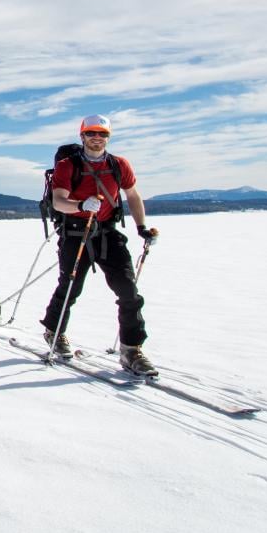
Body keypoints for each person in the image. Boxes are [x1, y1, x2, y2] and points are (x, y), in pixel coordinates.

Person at [41, 115, 159, 376]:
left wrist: (141, 228)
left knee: (129, 291)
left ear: (108, 137)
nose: (98, 138)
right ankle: (54, 332)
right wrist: (80, 206)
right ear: (82, 136)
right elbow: (59, 201)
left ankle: (131, 350)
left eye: (103, 134)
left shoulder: (119, 165)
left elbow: (133, 195)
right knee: (70, 288)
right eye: (92, 133)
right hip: (75, 233)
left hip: (108, 233)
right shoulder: (67, 165)